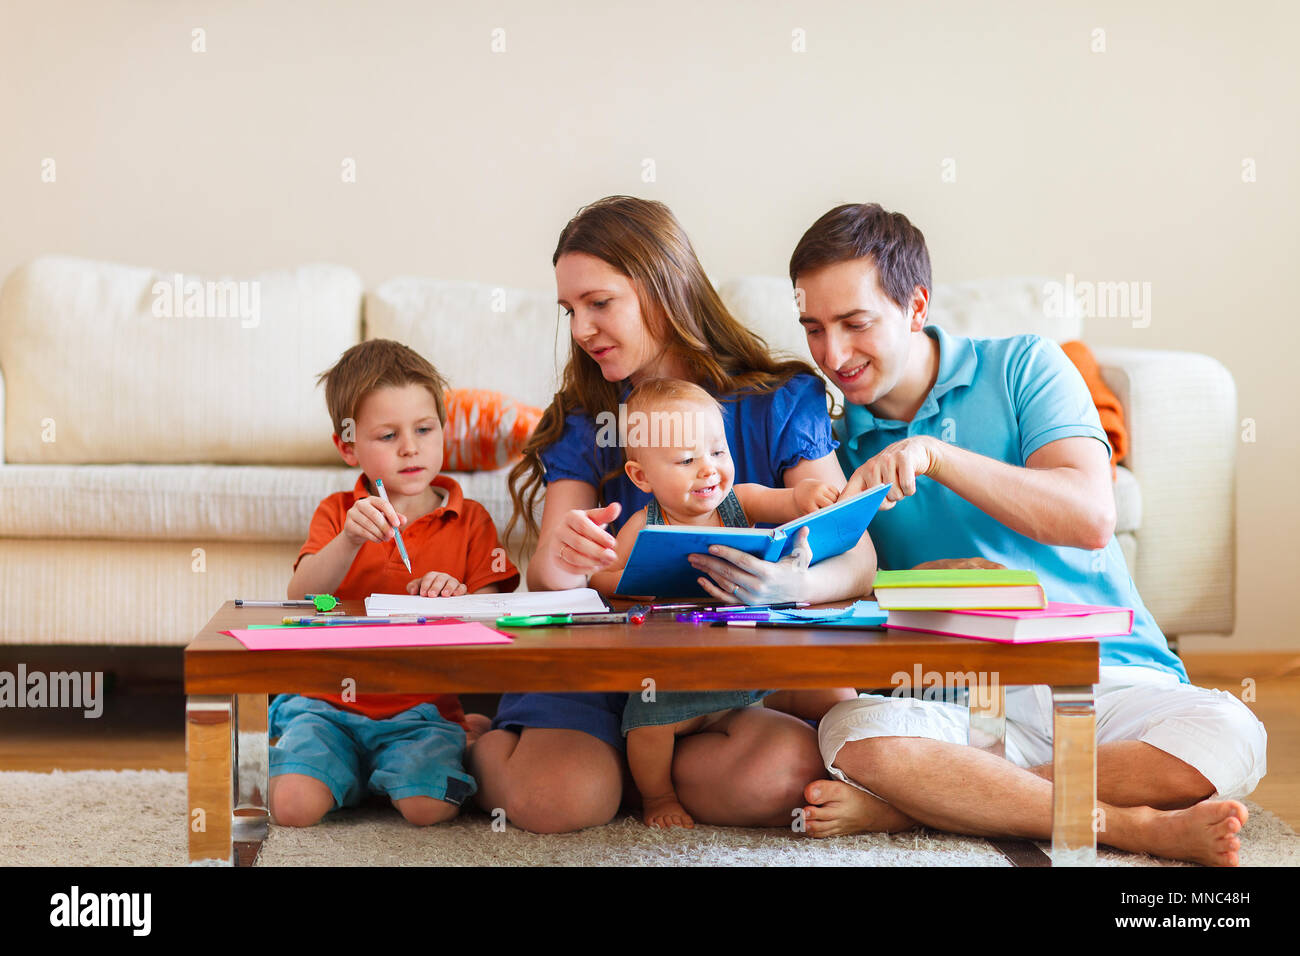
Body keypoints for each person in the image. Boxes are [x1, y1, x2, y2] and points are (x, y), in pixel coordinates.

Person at [790, 203, 1267, 866]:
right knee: (850, 734)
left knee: (1233, 733)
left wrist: (938, 456)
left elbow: (1090, 516)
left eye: (855, 323)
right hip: (959, 701)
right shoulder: (827, 441)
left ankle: (929, 805)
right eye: (813, 327)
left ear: (917, 305)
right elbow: (844, 596)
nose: (832, 354)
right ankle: (1126, 826)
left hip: (1103, 676)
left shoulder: (1024, 367)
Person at [471, 196, 874, 834]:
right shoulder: (588, 418)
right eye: (570, 311)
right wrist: (567, 561)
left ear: (663, 287)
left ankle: (643, 774)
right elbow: (548, 580)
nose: (579, 329)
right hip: (604, 668)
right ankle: (481, 743)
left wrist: (798, 584)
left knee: (787, 773)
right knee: (560, 802)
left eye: (599, 304)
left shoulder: (779, 401)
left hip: (722, 684)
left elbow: (855, 548)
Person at [271, 339, 520, 828]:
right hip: (324, 705)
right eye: (387, 436)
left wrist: (458, 593)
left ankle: (445, 745)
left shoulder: (469, 520)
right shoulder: (338, 514)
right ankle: (340, 766)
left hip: (420, 711)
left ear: (443, 432)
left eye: (424, 430)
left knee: (430, 810)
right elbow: (302, 595)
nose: (410, 447)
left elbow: (494, 608)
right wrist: (346, 541)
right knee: (293, 808)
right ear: (349, 447)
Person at [591, 377, 837, 829]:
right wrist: (626, 583)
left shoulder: (738, 502)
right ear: (641, 477)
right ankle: (658, 797)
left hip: (740, 664)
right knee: (648, 731)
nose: (709, 469)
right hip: (668, 675)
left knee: (827, 687)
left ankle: (856, 764)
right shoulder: (640, 529)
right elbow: (602, 578)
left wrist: (805, 496)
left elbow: (784, 500)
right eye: (686, 460)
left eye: (718, 452)